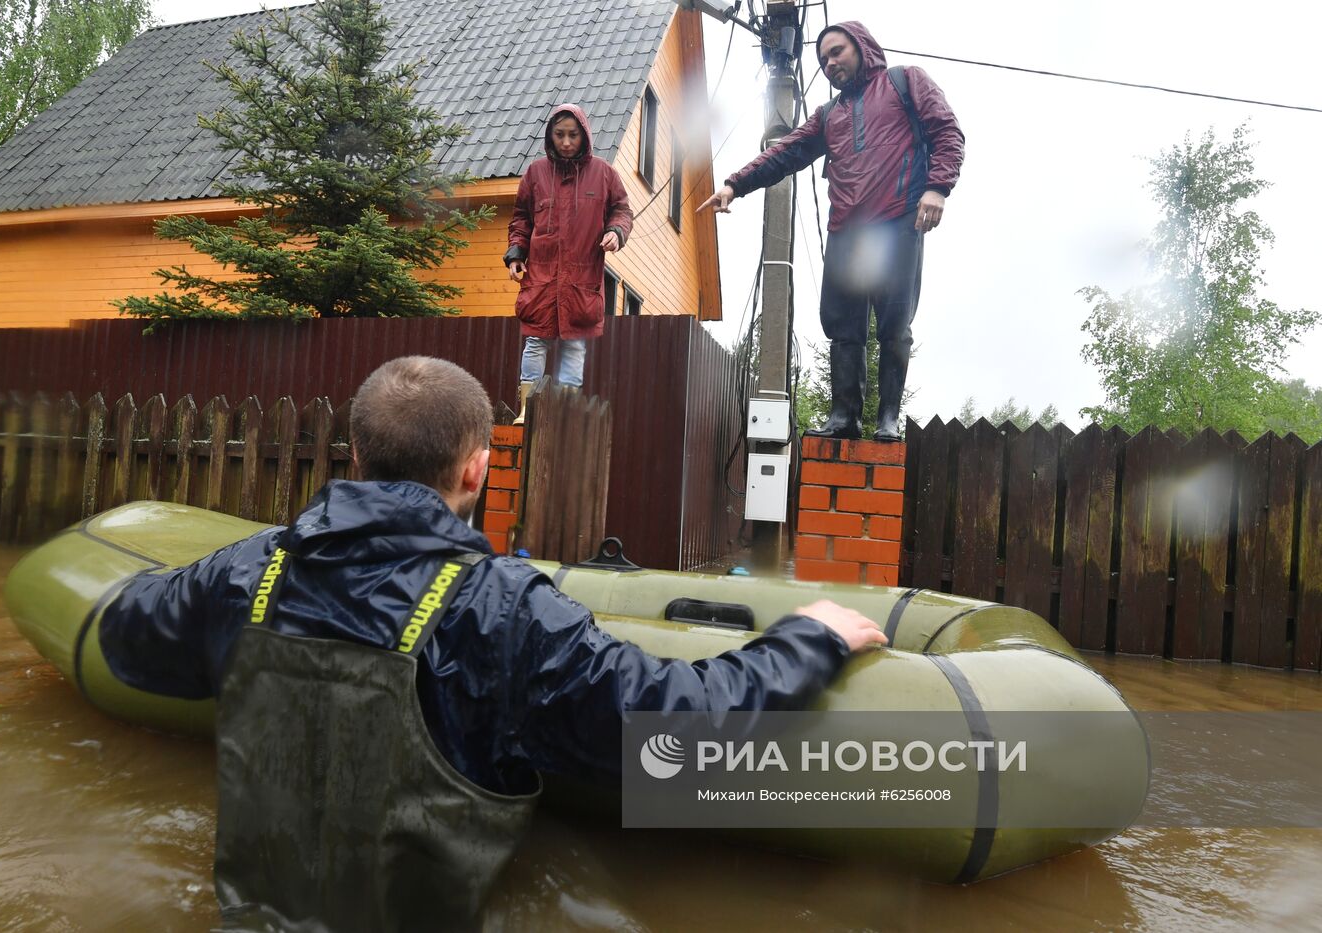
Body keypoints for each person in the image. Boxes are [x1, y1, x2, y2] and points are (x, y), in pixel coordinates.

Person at [96, 355, 888, 931]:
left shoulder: (246, 572)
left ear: (357, 457)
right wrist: (807, 638)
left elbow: (124, 635)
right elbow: (678, 729)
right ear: (476, 470)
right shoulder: (507, 613)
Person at [700, 21, 965, 442]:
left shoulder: (904, 82)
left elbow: (947, 130)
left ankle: (889, 419)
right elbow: (785, 153)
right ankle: (844, 418)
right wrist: (735, 184)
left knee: (895, 322)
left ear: (861, 47)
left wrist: (937, 187)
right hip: (847, 231)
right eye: (823, 58)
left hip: (898, 220)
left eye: (837, 52)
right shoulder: (829, 115)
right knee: (843, 326)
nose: (830, 63)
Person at [504, 104, 633, 423]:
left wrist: (616, 232)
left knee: (575, 346)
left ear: (584, 136)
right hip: (542, 279)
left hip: (582, 279)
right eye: (559, 135)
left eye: (572, 135)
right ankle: (528, 411)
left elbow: (622, 211)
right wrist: (516, 253)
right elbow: (521, 218)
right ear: (550, 136)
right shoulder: (535, 173)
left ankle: (563, 414)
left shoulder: (604, 174)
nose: (565, 141)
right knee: (535, 342)